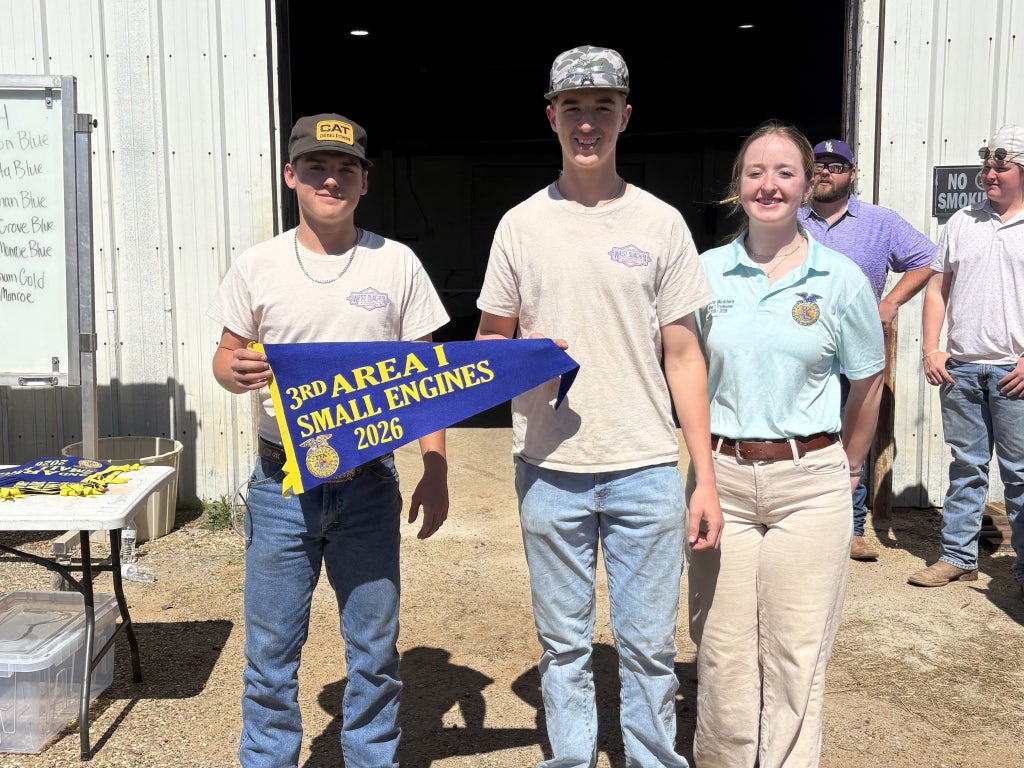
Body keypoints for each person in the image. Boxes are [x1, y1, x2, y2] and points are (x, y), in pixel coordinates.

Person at [475, 44, 723, 768]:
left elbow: (684, 355)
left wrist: (703, 476)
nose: (588, 123)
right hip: (549, 466)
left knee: (648, 647)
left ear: (626, 116)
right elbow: (488, 344)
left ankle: (653, 759)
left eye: (603, 107)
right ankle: (571, 758)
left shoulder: (660, 223)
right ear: (551, 117)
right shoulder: (520, 225)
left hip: (644, 464)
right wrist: (522, 353)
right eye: (574, 107)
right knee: (563, 646)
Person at [207, 113, 450, 768]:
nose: (331, 179)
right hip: (280, 487)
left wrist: (435, 467)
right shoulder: (257, 266)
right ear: (291, 176)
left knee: (374, 655)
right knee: (269, 658)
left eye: (346, 168)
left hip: (367, 485)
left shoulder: (396, 263)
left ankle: (372, 758)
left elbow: (427, 378)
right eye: (316, 166)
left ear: (365, 181)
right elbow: (225, 356)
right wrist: (233, 371)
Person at [687, 120, 885, 768]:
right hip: (722, 480)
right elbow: (683, 372)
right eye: (755, 172)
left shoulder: (841, 278)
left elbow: (868, 379)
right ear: (737, 185)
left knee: (796, 653)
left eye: (784, 173)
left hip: (811, 483)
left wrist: (847, 467)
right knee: (722, 651)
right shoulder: (705, 273)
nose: (768, 185)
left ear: (806, 186)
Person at [799, 138, 936, 560]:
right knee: (799, 437)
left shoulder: (880, 222)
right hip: (796, 352)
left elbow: (929, 258)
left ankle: (851, 528)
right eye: (819, 164)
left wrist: (891, 302)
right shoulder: (790, 216)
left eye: (837, 165)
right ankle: (800, 524)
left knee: (849, 439)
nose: (826, 171)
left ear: (853, 174)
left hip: (853, 353)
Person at [910, 124, 1024, 596]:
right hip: (961, 369)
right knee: (967, 467)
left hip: (1015, 372)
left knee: (1020, 474)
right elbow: (937, 289)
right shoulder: (961, 221)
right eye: (986, 164)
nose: (989, 173)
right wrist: (931, 348)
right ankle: (958, 557)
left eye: (1001, 165)